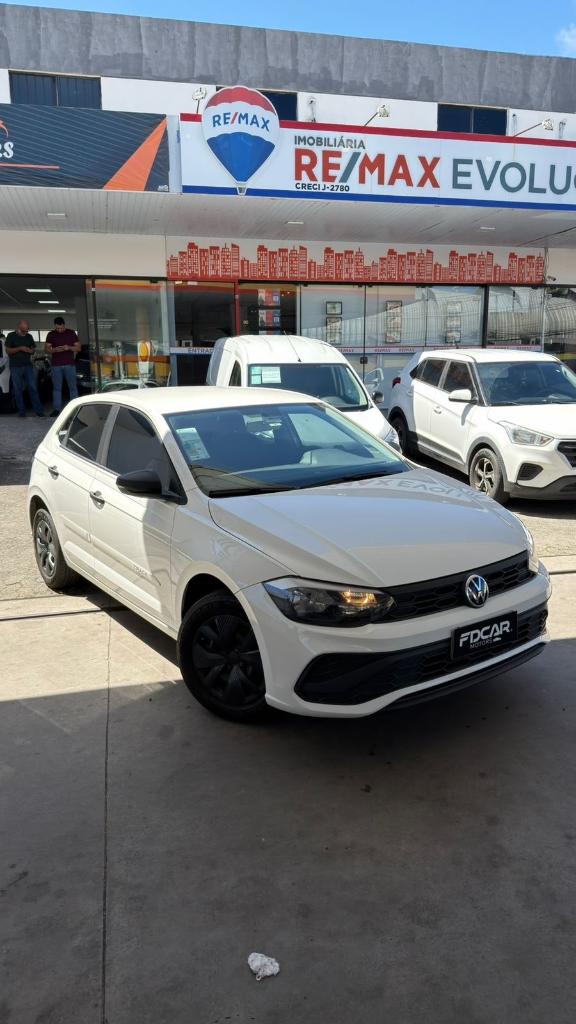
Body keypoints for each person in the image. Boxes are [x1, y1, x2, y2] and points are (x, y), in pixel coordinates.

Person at [5, 320, 44, 417]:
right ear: (19, 327)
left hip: (28, 366)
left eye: (27, 330)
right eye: (25, 330)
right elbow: (8, 351)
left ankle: (39, 411)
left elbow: (33, 349)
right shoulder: (11, 336)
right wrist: (20, 348)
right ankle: (21, 412)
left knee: (33, 388)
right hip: (15, 367)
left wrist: (31, 351)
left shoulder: (29, 336)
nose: (27, 332)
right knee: (18, 389)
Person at [45, 316, 81, 416]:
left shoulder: (71, 333)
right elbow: (47, 349)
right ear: (55, 326)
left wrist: (69, 347)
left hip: (69, 364)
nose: (59, 330)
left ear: (64, 325)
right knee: (57, 388)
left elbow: (78, 348)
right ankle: (57, 409)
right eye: (57, 328)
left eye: (61, 328)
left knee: (72, 387)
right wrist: (55, 350)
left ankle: (75, 409)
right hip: (56, 365)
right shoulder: (51, 334)